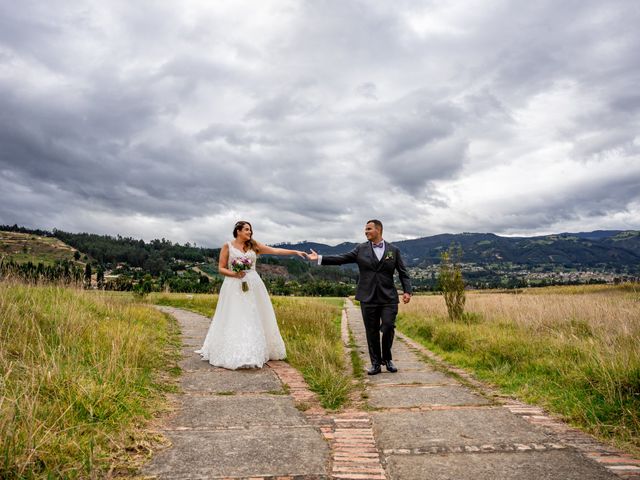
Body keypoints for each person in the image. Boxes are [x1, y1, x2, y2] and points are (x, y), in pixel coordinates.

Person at [196, 221, 307, 370]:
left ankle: (255, 350)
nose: (250, 232)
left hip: (254, 284)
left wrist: (295, 252)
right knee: (236, 315)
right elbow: (221, 268)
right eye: (247, 230)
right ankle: (236, 351)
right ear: (238, 231)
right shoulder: (227, 246)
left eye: (250, 230)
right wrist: (234, 274)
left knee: (255, 315)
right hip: (233, 285)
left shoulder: (254, 246)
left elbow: (275, 251)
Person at [307, 219, 412, 375]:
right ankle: (375, 363)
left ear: (379, 230)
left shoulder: (393, 250)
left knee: (388, 326)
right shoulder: (360, 249)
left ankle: (387, 358)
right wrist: (320, 258)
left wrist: (407, 291)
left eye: (369, 229)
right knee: (371, 331)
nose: (366, 231)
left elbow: (403, 273)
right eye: (365, 229)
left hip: (388, 296)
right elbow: (342, 258)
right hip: (367, 297)